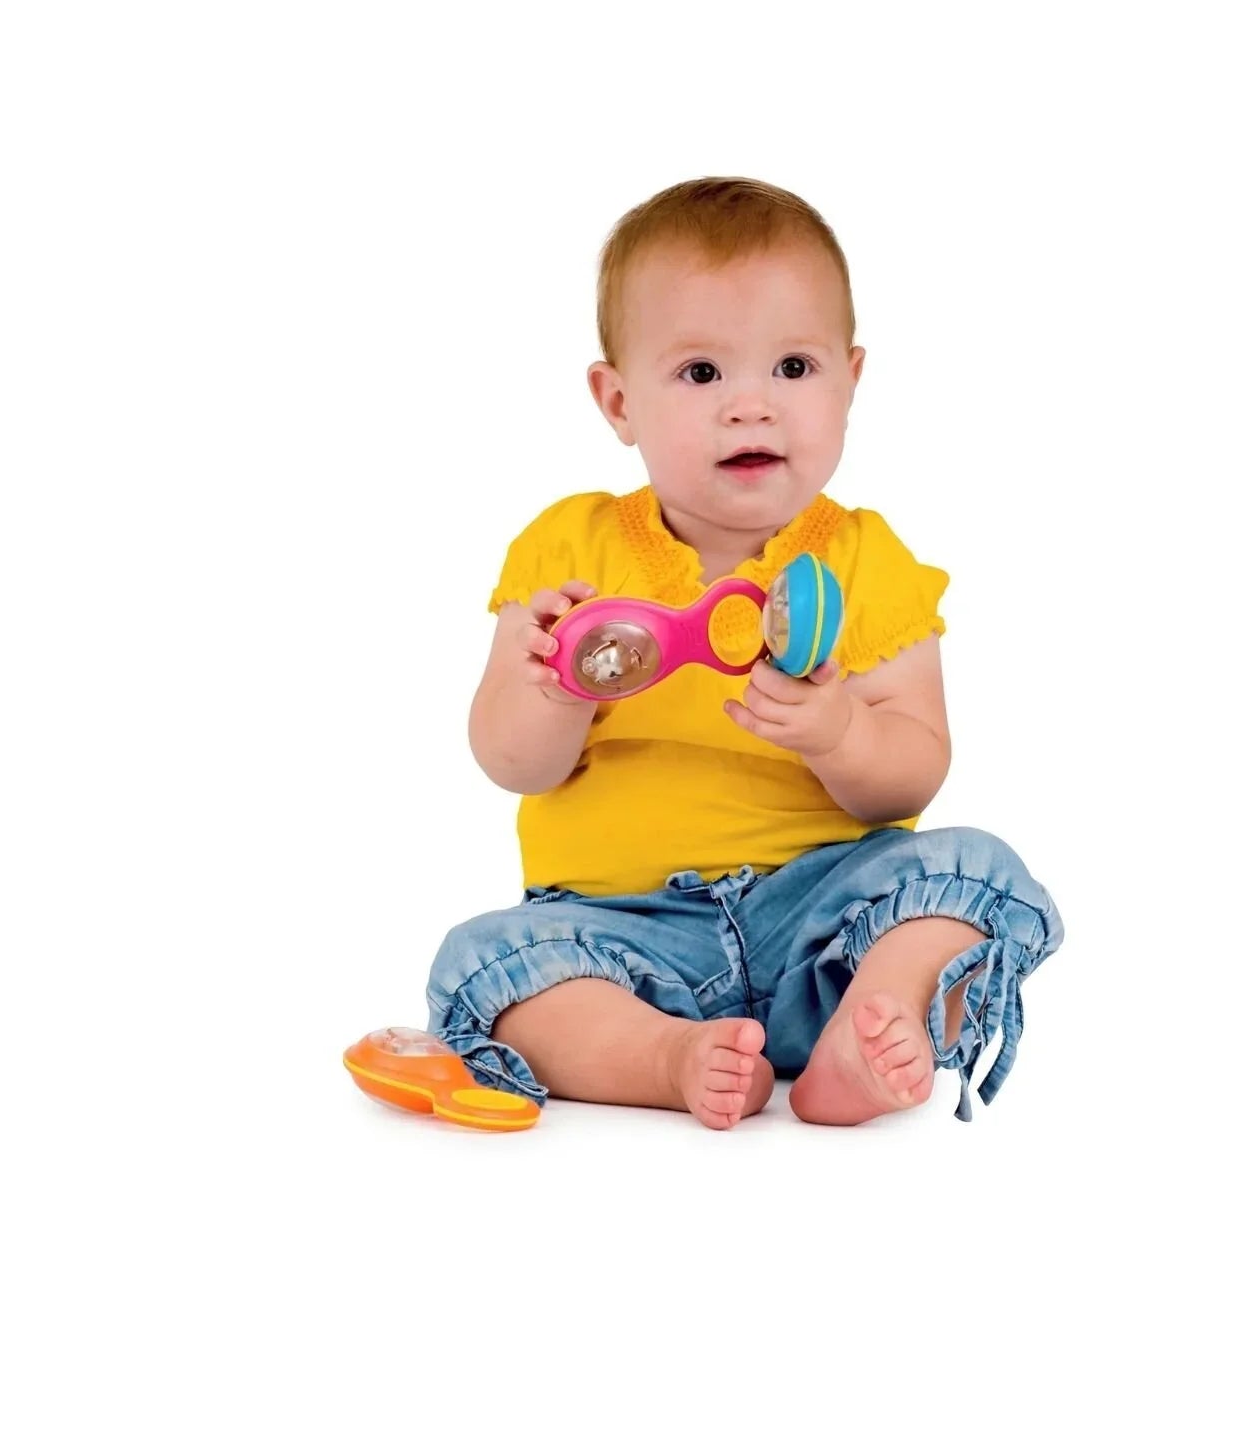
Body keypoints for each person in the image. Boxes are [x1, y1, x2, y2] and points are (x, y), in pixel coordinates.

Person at [427, 177, 1063, 1129]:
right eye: (701, 374)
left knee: (978, 871)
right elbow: (511, 762)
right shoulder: (569, 552)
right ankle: (666, 1057)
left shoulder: (865, 562)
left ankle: (871, 1026)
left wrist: (840, 732)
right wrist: (552, 693)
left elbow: (912, 773)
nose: (752, 407)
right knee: (481, 962)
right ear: (618, 401)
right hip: (623, 941)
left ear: (851, 381)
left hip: (826, 928)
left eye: (794, 368)